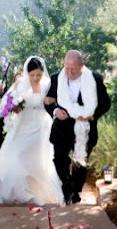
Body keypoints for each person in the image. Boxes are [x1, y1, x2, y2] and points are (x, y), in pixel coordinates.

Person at [0, 56, 65, 206]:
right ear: (27, 73)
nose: (35, 78)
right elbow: (7, 103)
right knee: (17, 155)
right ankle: (21, 190)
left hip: (41, 126)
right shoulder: (19, 84)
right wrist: (14, 108)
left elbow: (51, 103)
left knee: (39, 159)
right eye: (32, 75)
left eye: (38, 75)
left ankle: (38, 190)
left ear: (43, 73)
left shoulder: (47, 85)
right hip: (23, 125)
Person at [45, 50, 111, 205]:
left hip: (85, 129)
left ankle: (76, 189)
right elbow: (46, 102)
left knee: (80, 163)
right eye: (66, 68)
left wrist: (91, 115)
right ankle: (66, 184)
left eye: (73, 68)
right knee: (59, 159)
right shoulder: (56, 79)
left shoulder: (95, 79)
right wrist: (55, 111)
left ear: (82, 65)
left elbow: (105, 104)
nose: (69, 72)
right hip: (62, 128)